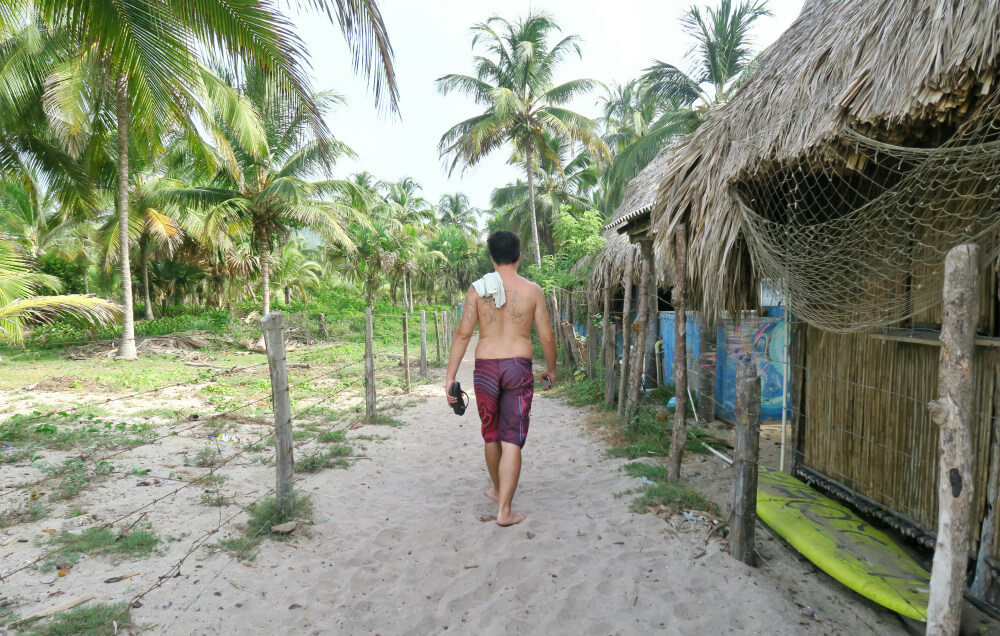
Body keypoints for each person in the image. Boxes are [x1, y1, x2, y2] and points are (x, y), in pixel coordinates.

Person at [445, 230, 557, 526]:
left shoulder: (477, 290)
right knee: (512, 439)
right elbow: (546, 336)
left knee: (490, 434)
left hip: (485, 369)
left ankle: (496, 490)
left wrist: (450, 377)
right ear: (519, 255)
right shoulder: (533, 290)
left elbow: (463, 334)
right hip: (518, 367)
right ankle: (505, 510)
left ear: (491, 257)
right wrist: (552, 369)